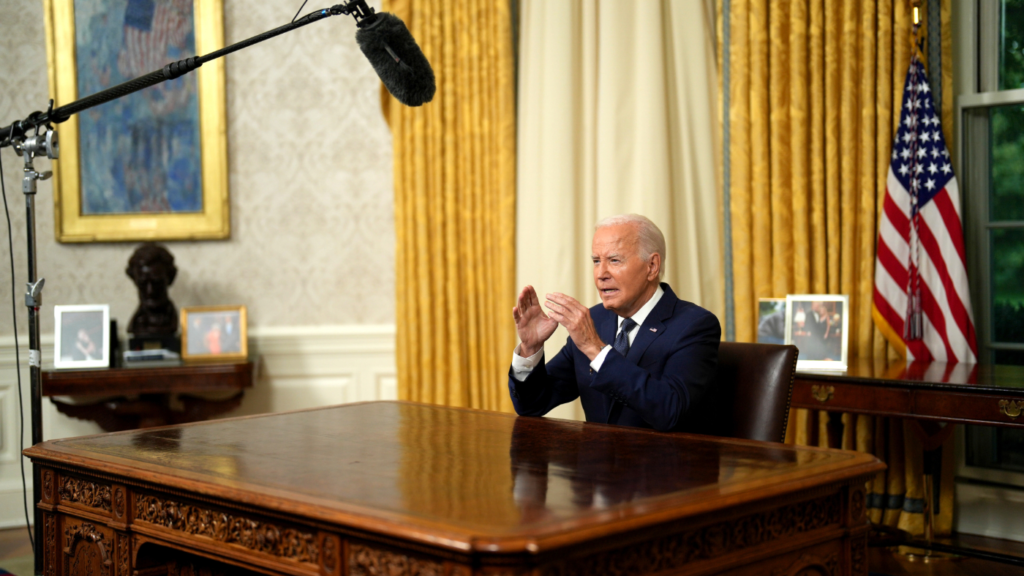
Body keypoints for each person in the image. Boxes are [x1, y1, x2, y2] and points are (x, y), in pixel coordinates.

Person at [509, 214, 721, 432]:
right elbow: (532, 404)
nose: (601, 274)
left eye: (614, 260)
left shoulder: (695, 325)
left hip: (662, 463)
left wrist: (595, 349)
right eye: (596, 261)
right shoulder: (594, 320)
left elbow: (670, 411)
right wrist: (530, 350)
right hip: (595, 462)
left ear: (652, 266)